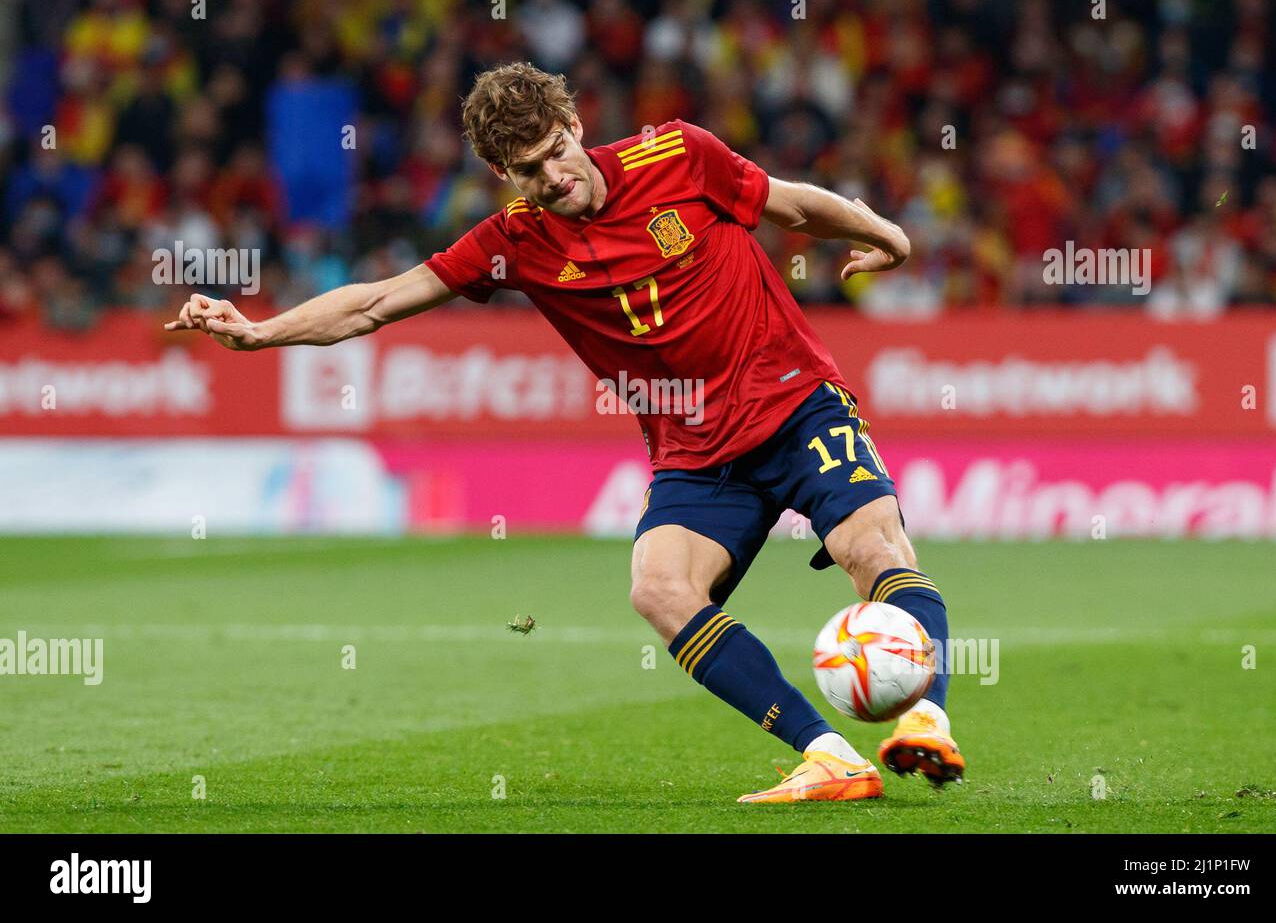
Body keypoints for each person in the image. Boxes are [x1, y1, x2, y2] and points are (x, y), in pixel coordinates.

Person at [166, 61, 964, 803]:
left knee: (875, 547)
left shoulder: (680, 156)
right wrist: (262, 332)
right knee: (658, 587)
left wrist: (884, 233)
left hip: (795, 403)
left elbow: (792, 204)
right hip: (694, 451)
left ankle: (928, 719)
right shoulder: (515, 241)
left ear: (576, 125)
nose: (552, 178)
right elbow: (377, 301)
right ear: (502, 176)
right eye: (527, 171)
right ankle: (830, 754)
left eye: (556, 152)